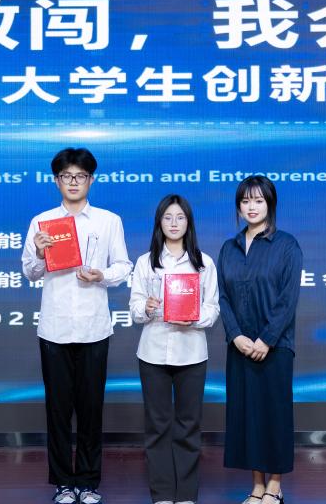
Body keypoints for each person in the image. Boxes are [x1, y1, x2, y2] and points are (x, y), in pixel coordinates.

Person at [22, 148, 132, 504]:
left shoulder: (108, 220)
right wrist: (40, 253)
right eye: (67, 176)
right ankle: (62, 483)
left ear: (91, 180)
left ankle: (88, 482)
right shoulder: (41, 222)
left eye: (80, 176)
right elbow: (29, 272)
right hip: (54, 327)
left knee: (90, 408)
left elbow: (124, 266)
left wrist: (102, 275)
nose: (73, 182)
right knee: (57, 410)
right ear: (56, 181)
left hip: (93, 327)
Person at [217, 176, 303, 504]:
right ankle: (256, 485)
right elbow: (222, 297)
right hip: (240, 346)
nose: (251, 207)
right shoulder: (229, 248)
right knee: (248, 416)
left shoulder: (287, 245)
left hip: (275, 346)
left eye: (258, 200)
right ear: (238, 207)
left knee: (274, 415)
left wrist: (266, 339)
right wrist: (236, 335)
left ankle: (275, 486)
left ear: (270, 204)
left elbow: (288, 299)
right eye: (245, 201)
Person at [129, 194, 220, 504]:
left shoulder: (204, 262)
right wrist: (147, 307)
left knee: (188, 425)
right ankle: (162, 494)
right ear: (159, 223)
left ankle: (186, 495)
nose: (173, 223)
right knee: (157, 426)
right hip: (152, 353)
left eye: (180, 217)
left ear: (188, 222)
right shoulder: (146, 262)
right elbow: (134, 308)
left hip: (191, 352)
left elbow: (213, 309)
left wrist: (192, 317)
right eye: (167, 217)